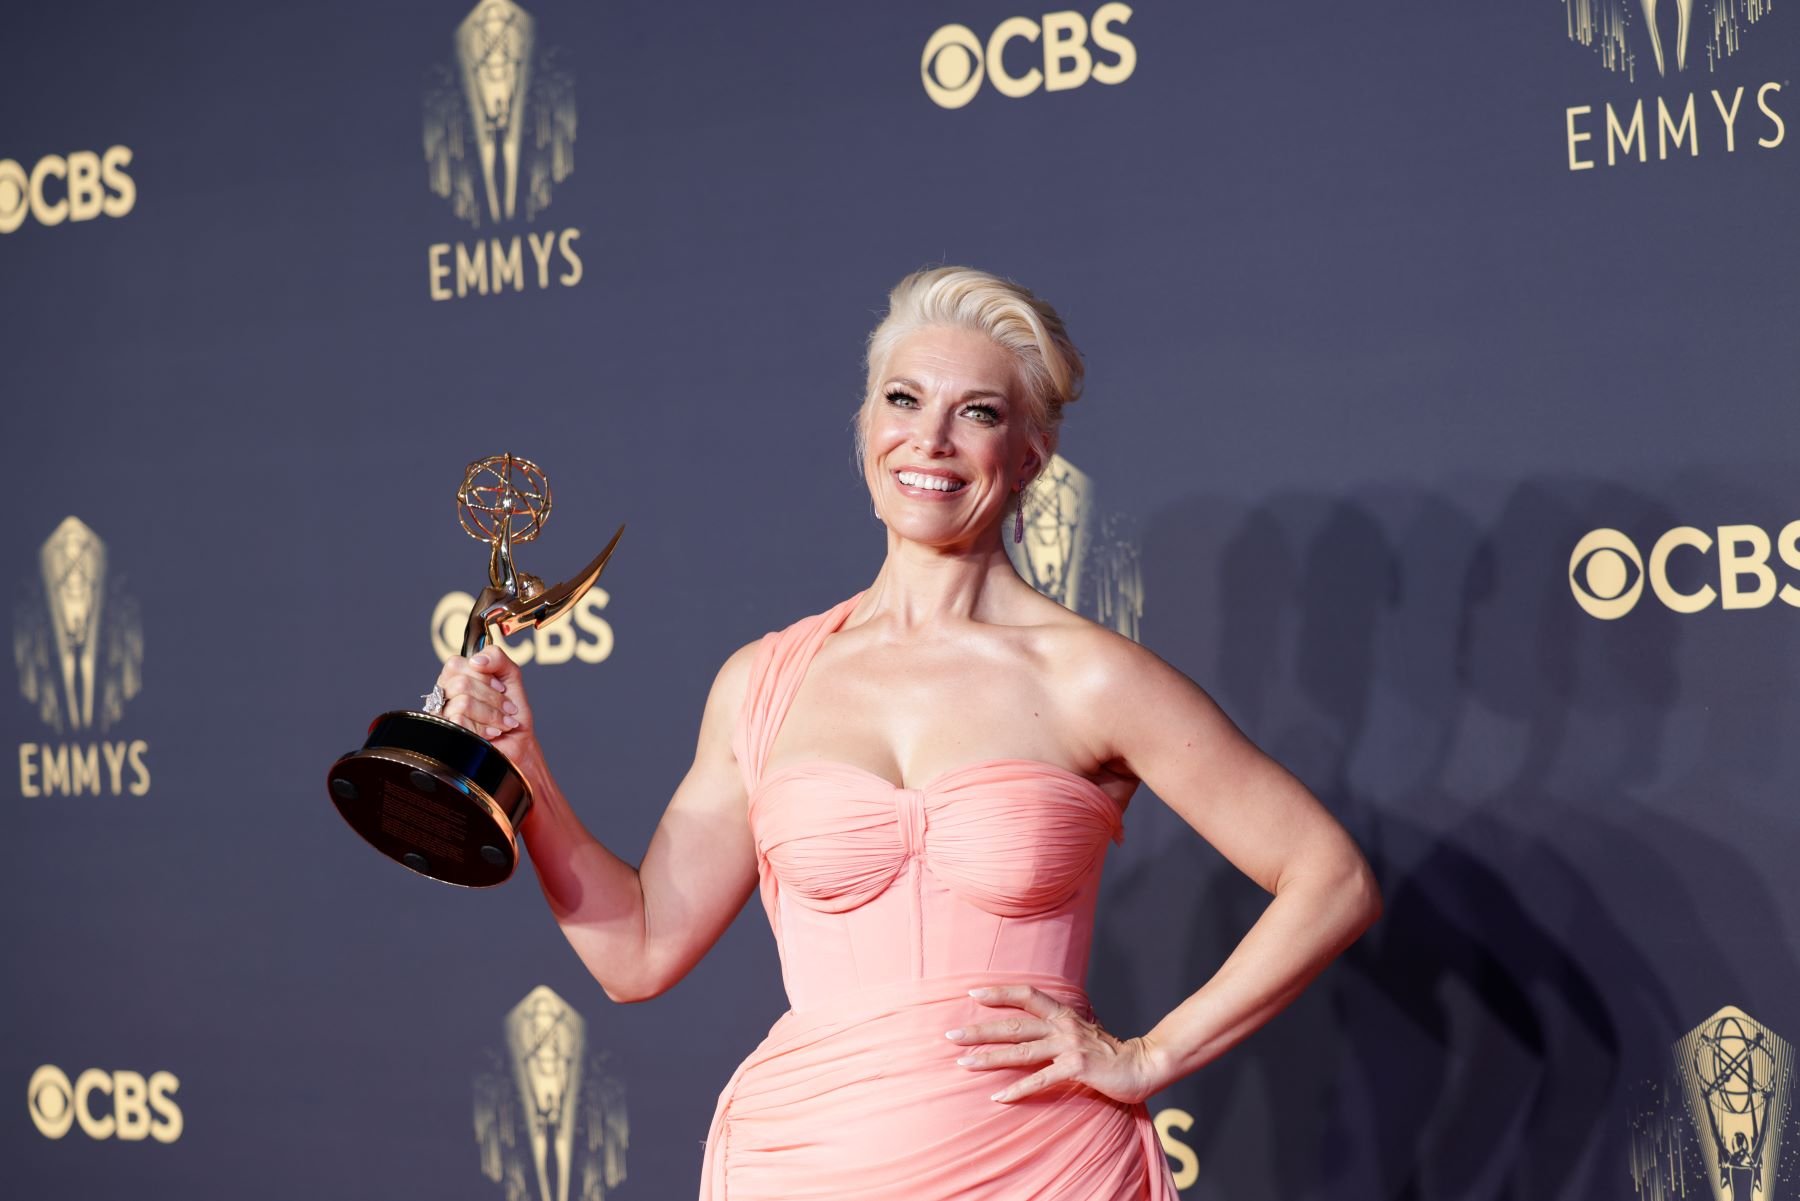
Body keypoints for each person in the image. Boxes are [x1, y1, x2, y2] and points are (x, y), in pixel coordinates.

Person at [431, 266, 1382, 1198]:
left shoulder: (1093, 677)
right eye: (903, 398)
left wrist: (1150, 1054)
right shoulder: (764, 681)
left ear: (1030, 457)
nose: (929, 438)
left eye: (977, 412)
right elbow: (636, 951)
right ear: (865, 430)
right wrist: (525, 777)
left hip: (1042, 1165)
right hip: (806, 1159)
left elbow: (1330, 878)